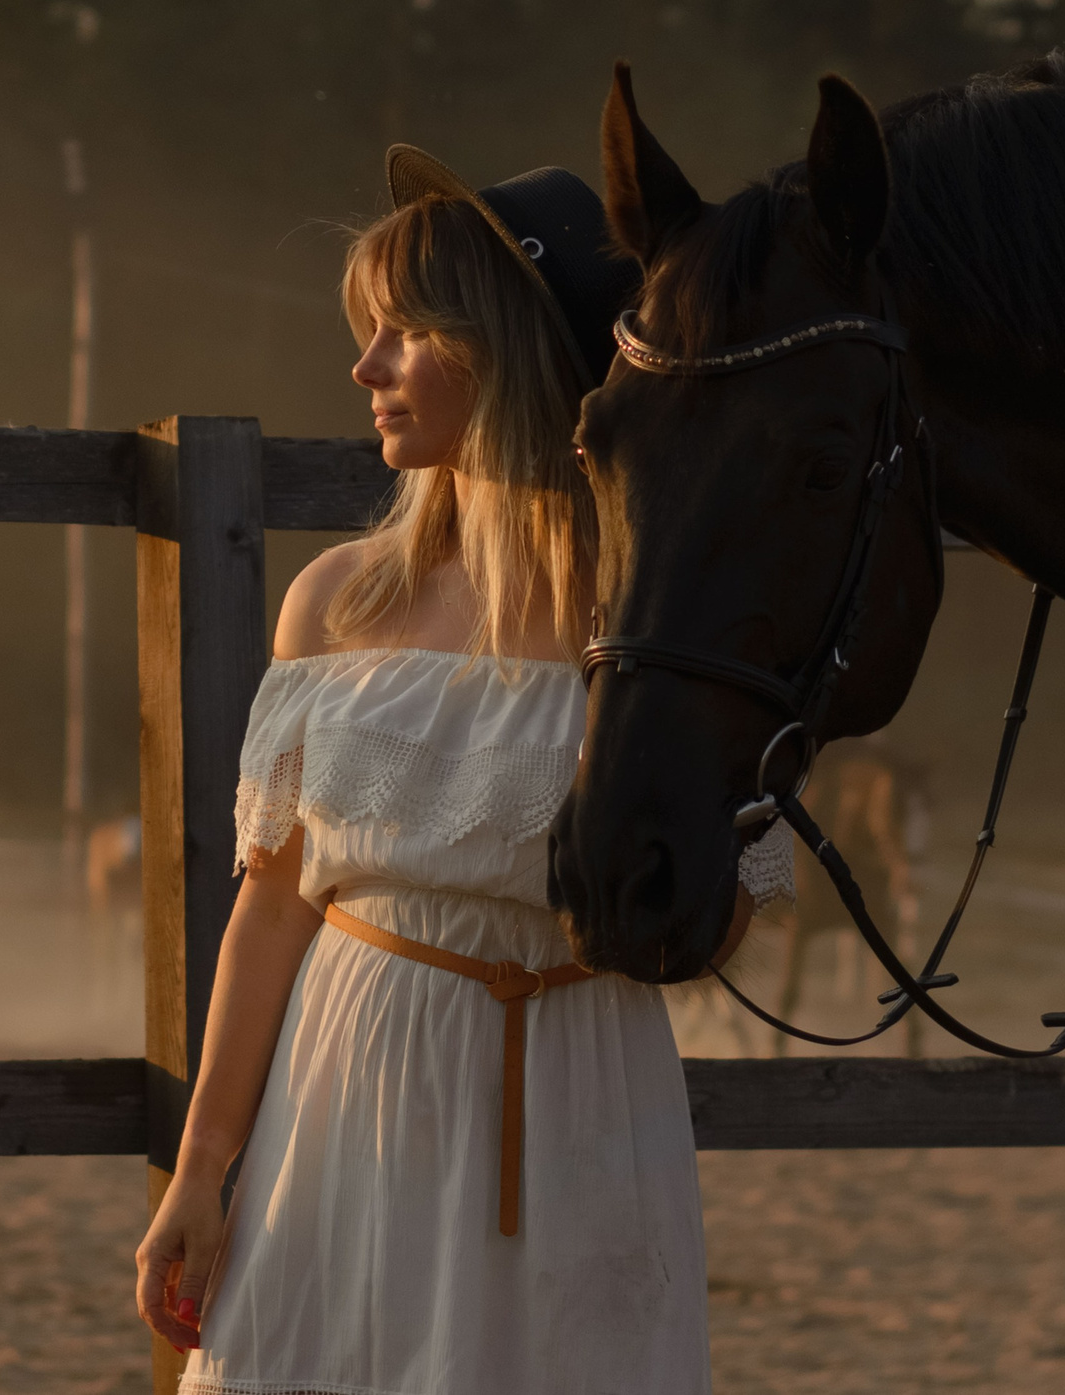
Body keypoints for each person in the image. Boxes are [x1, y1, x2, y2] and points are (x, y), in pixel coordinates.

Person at [134, 146, 790, 1395]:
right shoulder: (338, 604)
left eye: (406, 332)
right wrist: (202, 1171)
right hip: (344, 1096)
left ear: (508, 352)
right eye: (369, 333)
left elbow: (713, 930)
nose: (366, 368)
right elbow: (270, 912)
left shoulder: (654, 628)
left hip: (585, 1097)